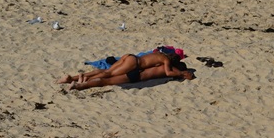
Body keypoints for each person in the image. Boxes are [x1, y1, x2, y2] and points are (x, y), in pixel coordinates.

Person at [58, 50, 186, 85]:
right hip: (134, 63)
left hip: (129, 56)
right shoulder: (165, 60)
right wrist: (180, 73)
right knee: (108, 75)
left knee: (106, 71)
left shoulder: (159, 53)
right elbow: (168, 73)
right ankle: (82, 79)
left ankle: (72, 78)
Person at [63, 62, 194, 91]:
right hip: (135, 77)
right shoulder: (173, 69)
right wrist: (184, 74)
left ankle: (78, 79)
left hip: (136, 70)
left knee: (107, 74)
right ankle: (79, 85)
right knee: (105, 81)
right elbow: (174, 74)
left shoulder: (163, 62)